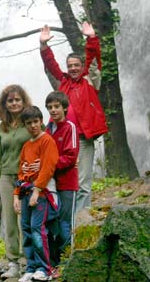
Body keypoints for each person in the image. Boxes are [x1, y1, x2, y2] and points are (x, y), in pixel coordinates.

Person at [39, 22, 108, 211]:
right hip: (62, 139)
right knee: (63, 180)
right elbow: (50, 65)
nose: (73, 68)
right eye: (70, 66)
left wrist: (91, 39)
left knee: (84, 181)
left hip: (84, 139)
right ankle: (62, 218)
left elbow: (94, 61)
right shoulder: (62, 83)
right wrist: (44, 46)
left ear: (82, 66)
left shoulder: (90, 80)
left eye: (77, 65)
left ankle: (81, 220)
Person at [0, 84, 33, 279]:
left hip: (27, 177)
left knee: (27, 219)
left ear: (23, 102)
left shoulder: (31, 123)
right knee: (9, 221)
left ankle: (29, 262)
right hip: (6, 178)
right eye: (10, 100)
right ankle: (13, 262)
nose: (14, 103)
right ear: (5, 104)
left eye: (17, 100)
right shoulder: (2, 126)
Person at [13, 106, 59, 282]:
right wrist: (16, 195)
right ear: (25, 125)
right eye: (29, 123)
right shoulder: (26, 146)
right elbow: (21, 171)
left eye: (35, 122)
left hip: (42, 192)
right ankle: (31, 267)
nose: (33, 126)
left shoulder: (47, 141)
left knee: (37, 229)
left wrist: (37, 190)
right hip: (25, 191)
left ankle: (44, 268)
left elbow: (48, 168)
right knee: (25, 229)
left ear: (41, 121)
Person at [44, 91, 79, 264]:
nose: (53, 110)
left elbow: (71, 156)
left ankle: (68, 261)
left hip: (66, 183)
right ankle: (54, 262)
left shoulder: (70, 127)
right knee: (52, 222)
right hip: (49, 184)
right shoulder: (47, 130)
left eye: (56, 106)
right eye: (50, 107)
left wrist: (49, 166)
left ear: (64, 108)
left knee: (65, 223)